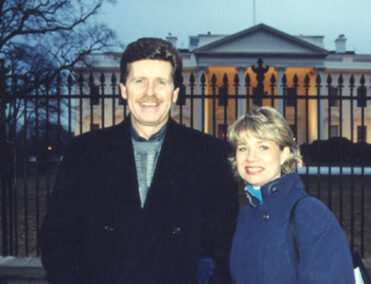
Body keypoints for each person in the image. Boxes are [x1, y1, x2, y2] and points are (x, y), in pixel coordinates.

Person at [40, 38, 238, 284]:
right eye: (140, 81)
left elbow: (224, 243)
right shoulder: (84, 153)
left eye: (161, 82)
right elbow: (57, 237)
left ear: (175, 93)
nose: (150, 93)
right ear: (124, 89)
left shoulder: (209, 155)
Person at [228, 106, 354, 283]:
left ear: (284, 154)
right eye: (242, 148)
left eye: (263, 147)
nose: (250, 157)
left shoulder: (309, 214)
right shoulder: (247, 215)